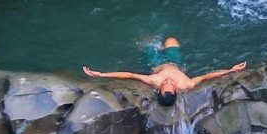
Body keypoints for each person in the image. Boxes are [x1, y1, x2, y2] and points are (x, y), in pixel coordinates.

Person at [82, 37, 246, 106]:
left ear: (159, 89)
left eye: (165, 84)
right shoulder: (186, 84)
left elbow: (129, 75)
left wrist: (102, 74)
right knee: (172, 40)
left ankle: (148, 46)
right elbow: (207, 76)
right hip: (174, 62)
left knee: (146, 43)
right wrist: (230, 70)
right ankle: (166, 46)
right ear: (176, 90)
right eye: (170, 84)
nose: (167, 81)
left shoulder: (154, 80)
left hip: (156, 62)